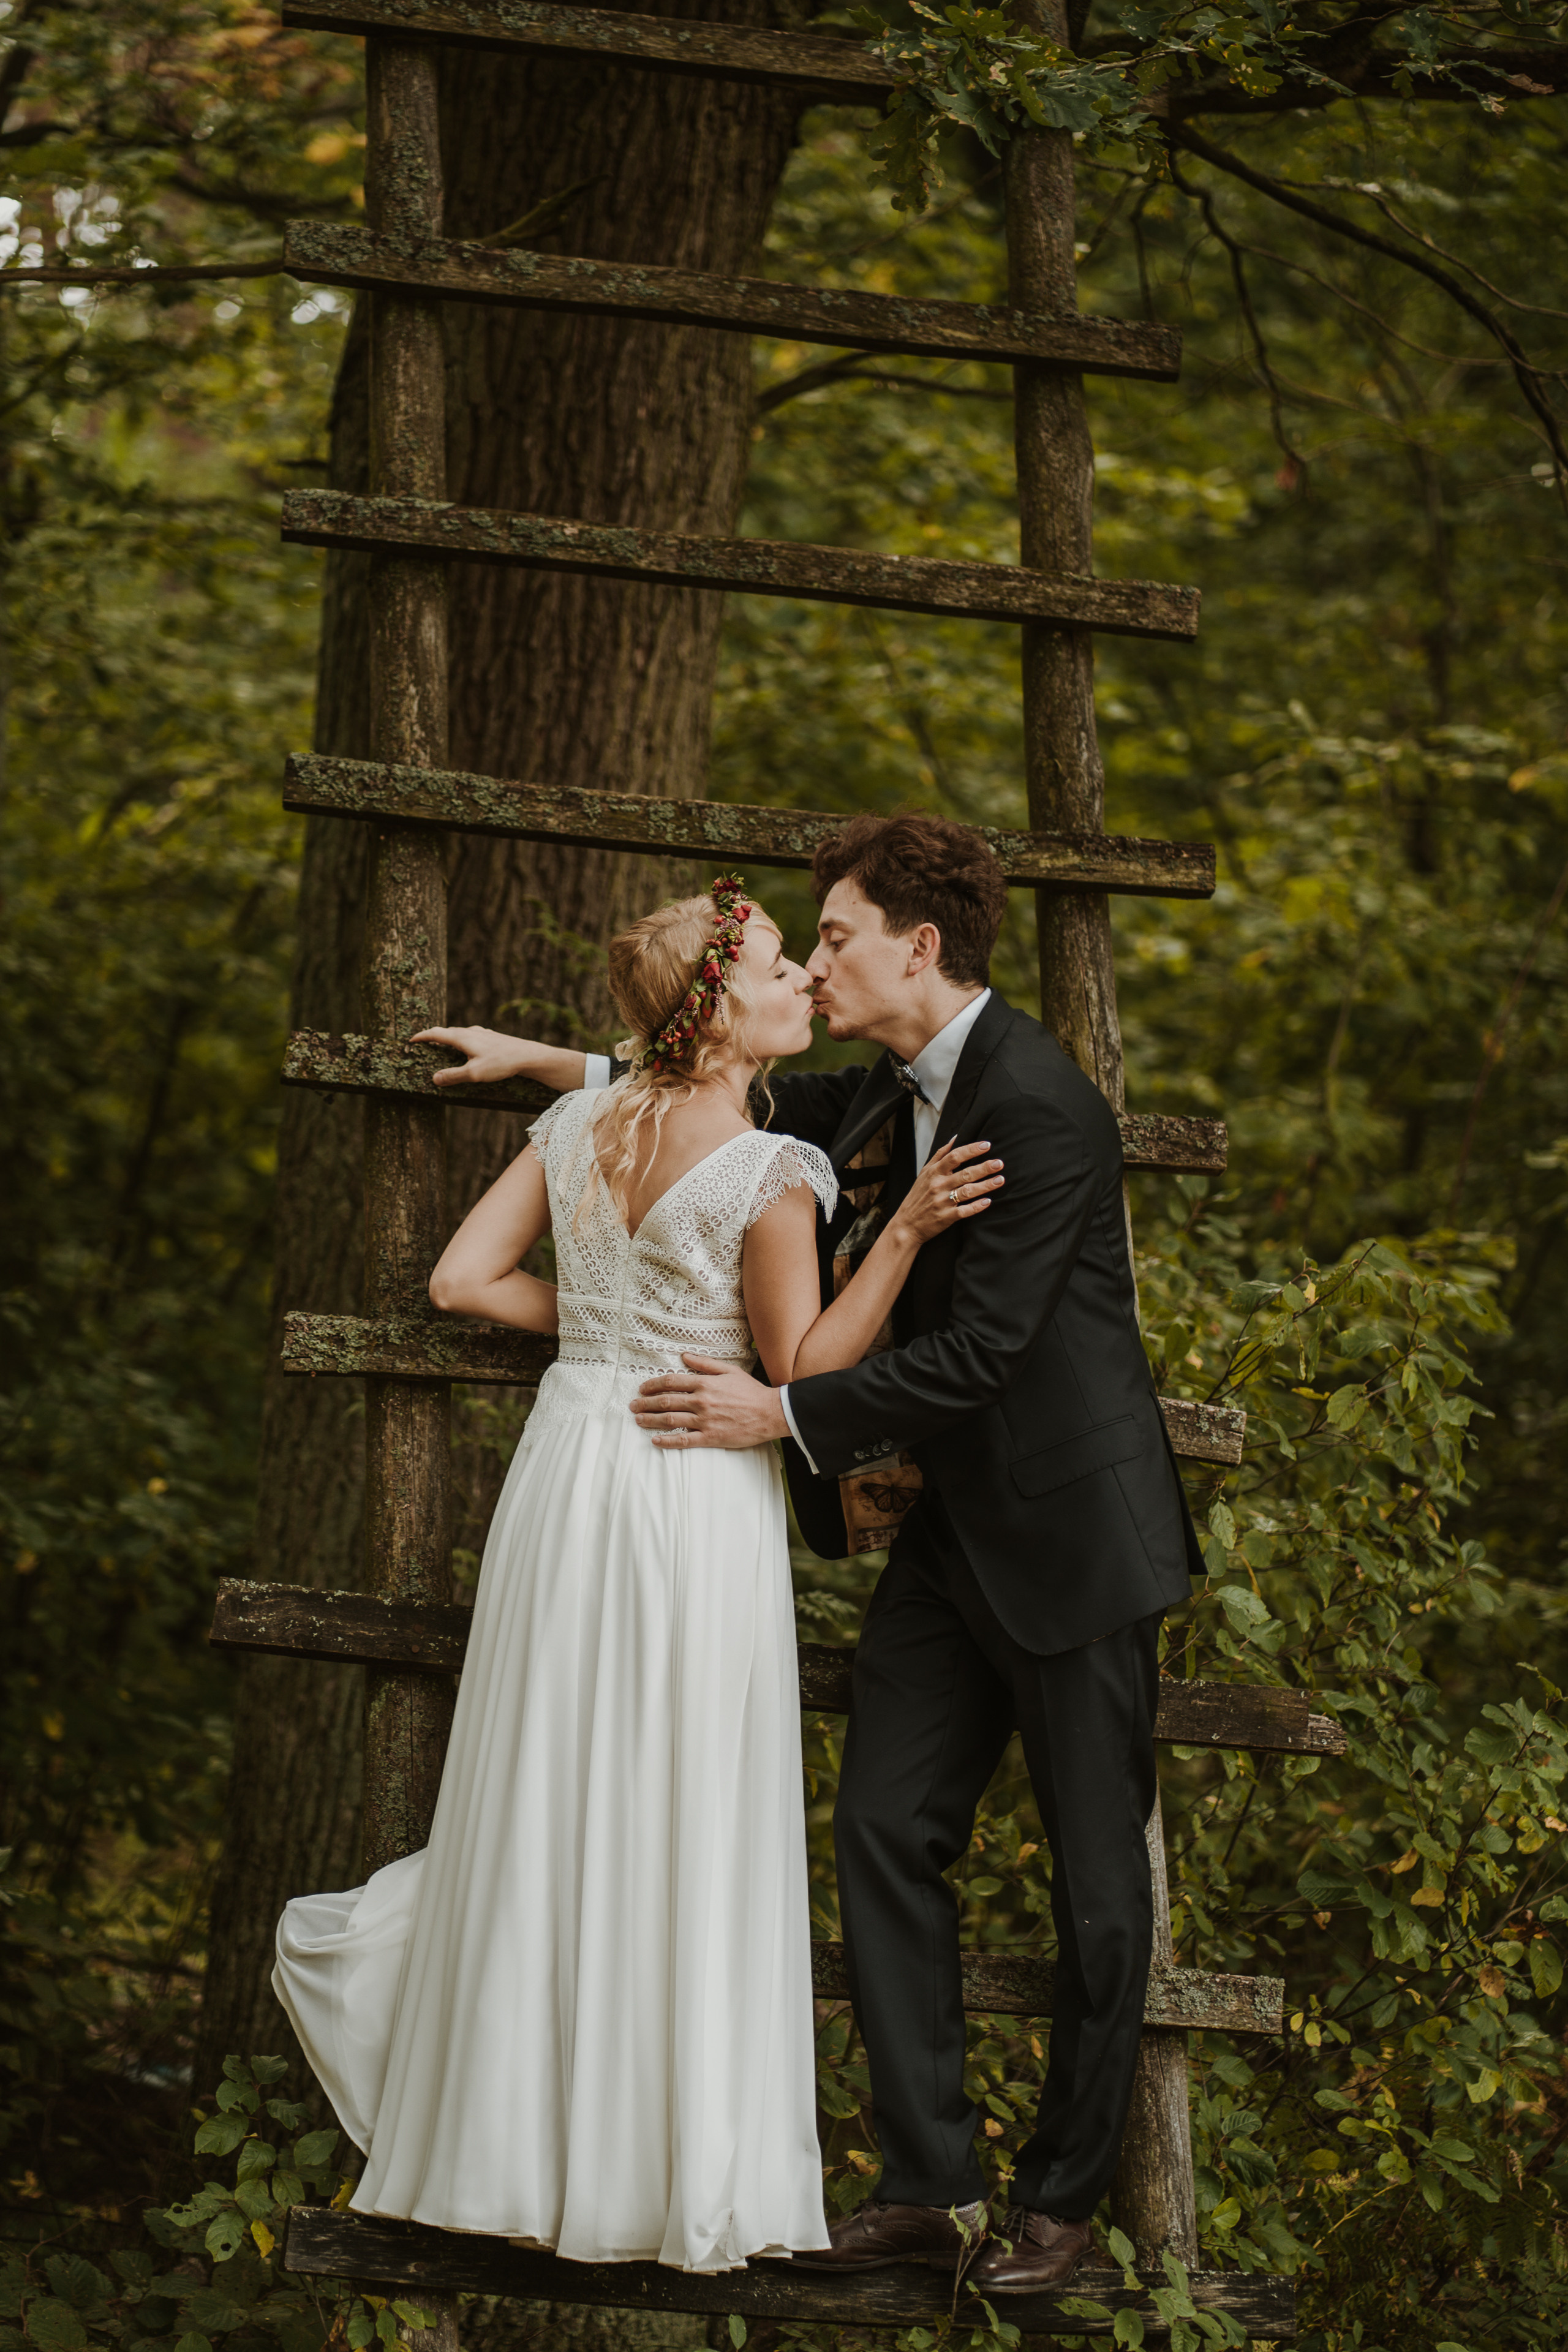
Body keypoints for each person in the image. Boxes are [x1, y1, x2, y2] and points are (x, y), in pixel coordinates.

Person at [437, 813, 1204, 2291]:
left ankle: (1061, 2205)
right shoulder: (878, 1095)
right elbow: (695, 1084)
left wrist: (782, 1410)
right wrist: (548, 1065)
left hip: (1071, 1542)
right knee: (879, 1832)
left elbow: (986, 1347)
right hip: (941, 1542)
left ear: (917, 948)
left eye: (835, 932)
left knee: (1101, 1887)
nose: (819, 953)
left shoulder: (1043, 1106)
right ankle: (927, 2181)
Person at [272, 875, 1003, 2275]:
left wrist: (608, 1330)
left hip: (570, 1466)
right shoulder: (769, 1170)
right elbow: (801, 1372)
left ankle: (509, 2136)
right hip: (684, 1491)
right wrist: (903, 1232)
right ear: (722, 1008)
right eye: (783, 966)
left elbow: (462, 1284)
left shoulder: (578, 1121)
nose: (804, 981)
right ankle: (656, 2157)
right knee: (678, 1785)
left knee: (552, 1772)